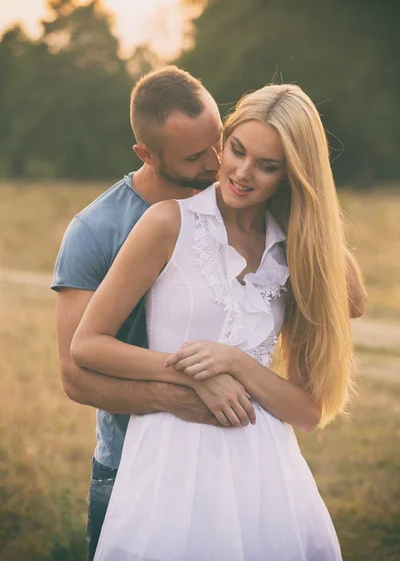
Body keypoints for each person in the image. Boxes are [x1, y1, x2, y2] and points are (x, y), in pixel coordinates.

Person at [70, 82, 366, 560]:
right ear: (222, 143)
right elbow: (87, 345)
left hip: (266, 475)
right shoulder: (169, 222)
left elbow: (309, 412)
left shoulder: (291, 249)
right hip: (169, 467)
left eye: (268, 166)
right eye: (237, 150)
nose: (242, 173)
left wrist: (238, 364)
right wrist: (194, 375)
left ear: (292, 174)